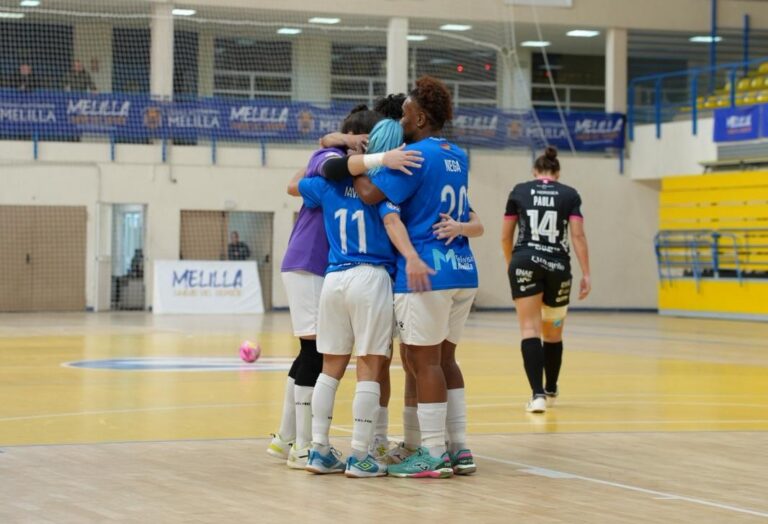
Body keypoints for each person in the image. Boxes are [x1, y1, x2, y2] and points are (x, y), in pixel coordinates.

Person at [347, 76, 483, 478]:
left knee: (423, 363)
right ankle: (459, 448)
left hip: (428, 271)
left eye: (405, 114)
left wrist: (361, 162)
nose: (401, 120)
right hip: (463, 269)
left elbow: (371, 194)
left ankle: (434, 453)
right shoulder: (456, 154)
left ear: (420, 118)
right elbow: (465, 213)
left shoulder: (417, 155)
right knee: (445, 360)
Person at [293, 116, 421, 478]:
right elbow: (396, 220)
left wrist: (332, 146)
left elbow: (294, 185)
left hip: (334, 279)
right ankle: (362, 454)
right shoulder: (385, 187)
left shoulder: (330, 183)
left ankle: (318, 449)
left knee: (330, 368)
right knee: (371, 365)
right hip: (371, 277)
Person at [267, 105, 385, 470]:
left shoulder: (341, 168)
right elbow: (292, 184)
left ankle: (286, 438)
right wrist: (339, 144)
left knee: (309, 354)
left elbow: (297, 182)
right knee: (316, 355)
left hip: (320, 267)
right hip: (311, 263)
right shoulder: (333, 160)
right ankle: (304, 446)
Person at [501, 146, 591, 413]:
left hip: (525, 261)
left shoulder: (519, 191)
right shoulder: (570, 194)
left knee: (529, 329)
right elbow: (577, 236)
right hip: (558, 267)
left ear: (534, 172)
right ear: (557, 173)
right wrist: (586, 273)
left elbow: (506, 236)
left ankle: (537, 395)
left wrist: (511, 265)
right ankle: (551, 387)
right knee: (553, 333)